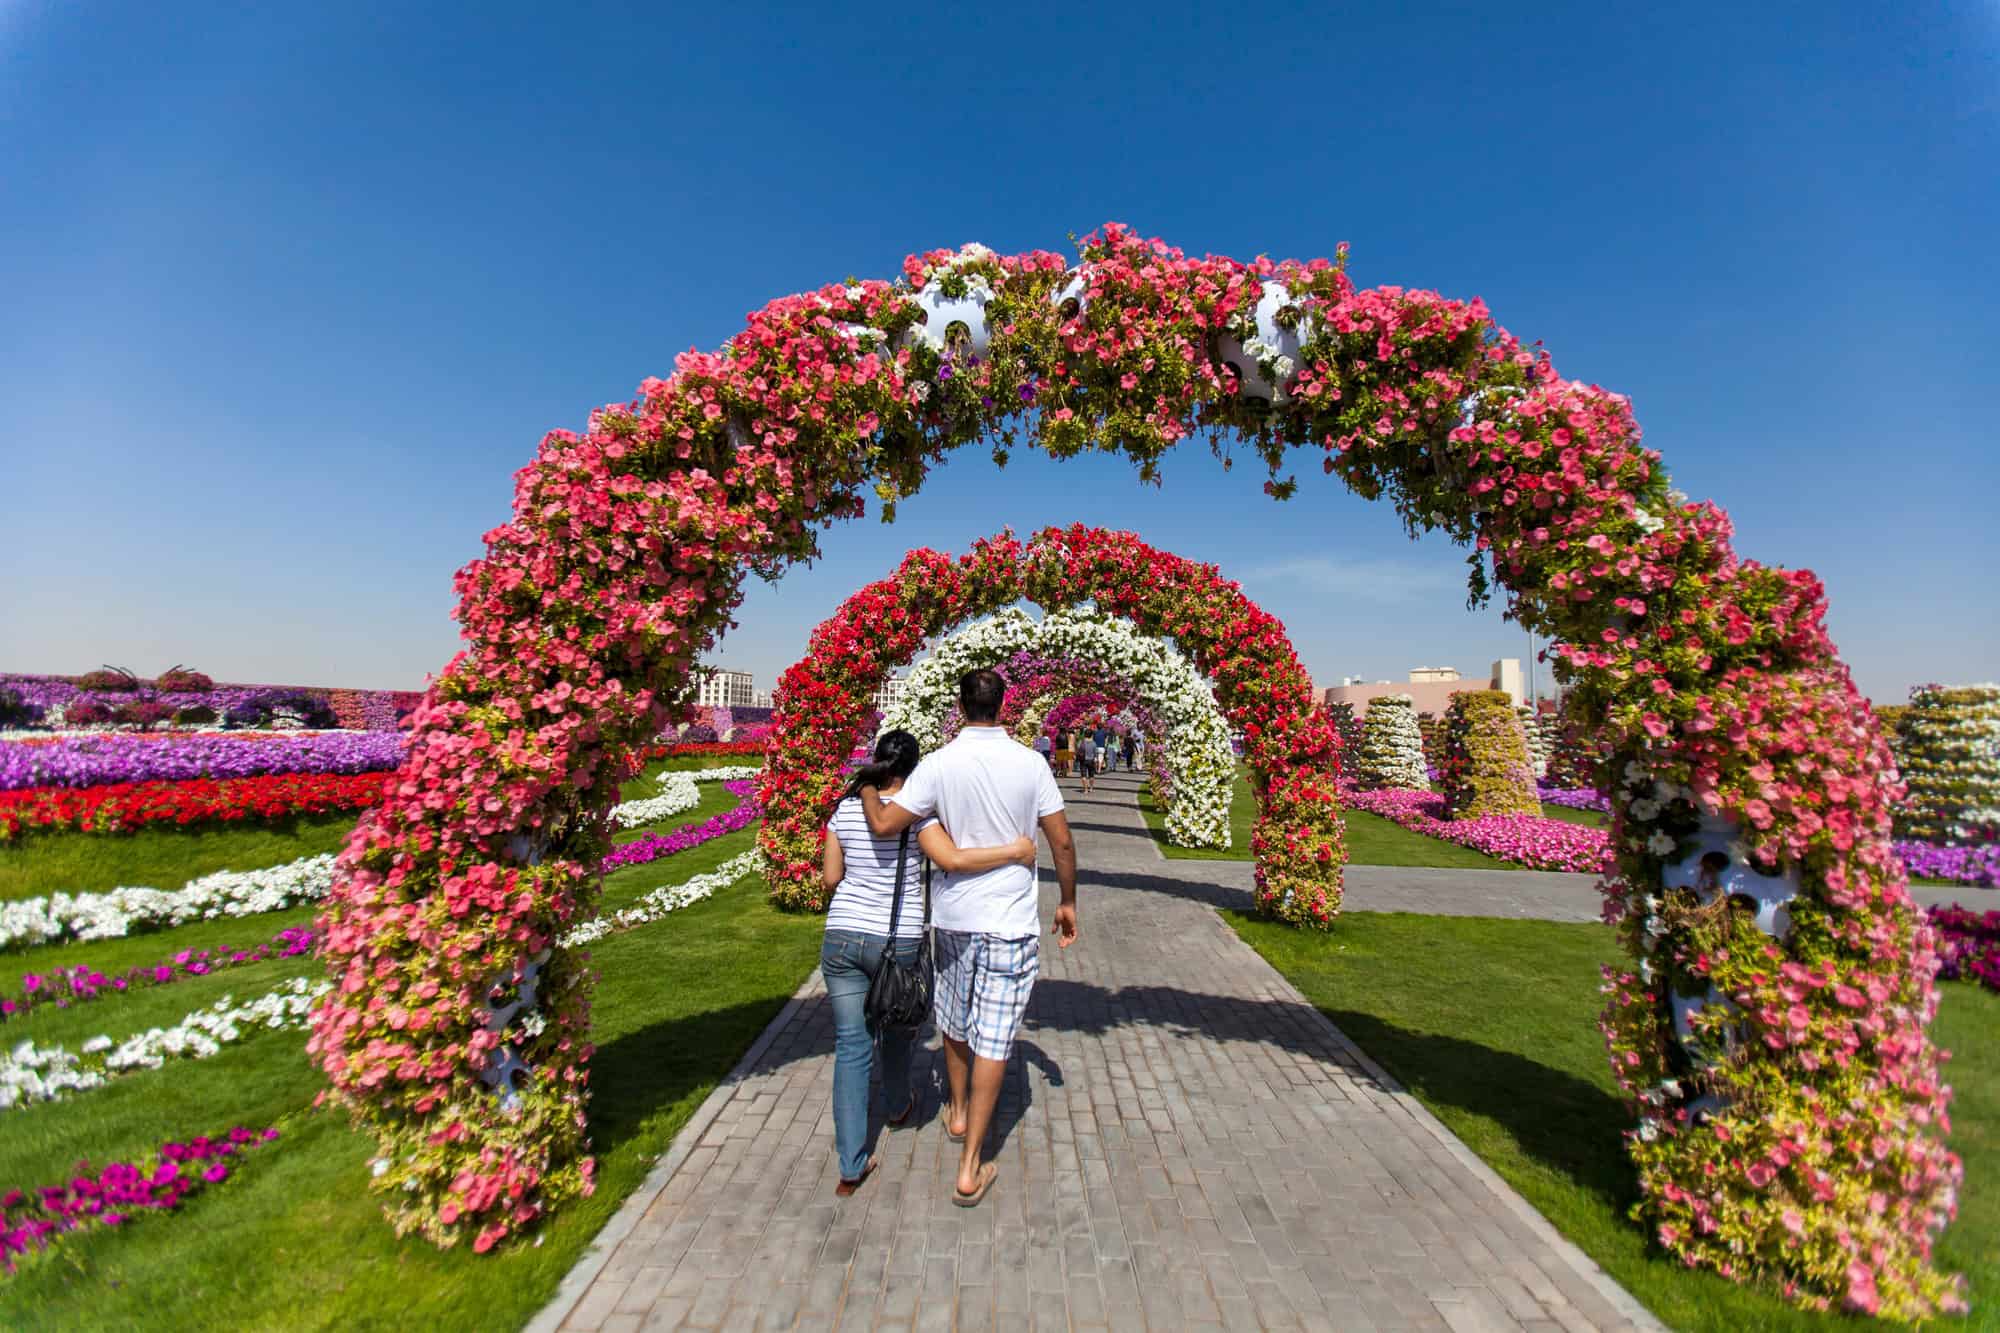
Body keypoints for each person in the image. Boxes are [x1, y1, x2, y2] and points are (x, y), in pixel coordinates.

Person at [860, 668, 1078, 1208]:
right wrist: (1068, 901)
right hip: (1008, 920)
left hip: (954, 917)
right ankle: (970, 1164)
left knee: (955, 1022)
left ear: (960, 707)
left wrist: (866, 785)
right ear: (1003, 706)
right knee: (994, 1038)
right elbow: (1062, 841)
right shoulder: (1031, 764)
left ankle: (957, 1110)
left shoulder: (937, 764)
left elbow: (887, 824)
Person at [821, 730, 1037, 1197]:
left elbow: (831, 877)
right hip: (894, 940)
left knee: (851, 1046)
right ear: (916, 769)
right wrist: (1016, 851)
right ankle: (899, 1105)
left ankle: (851, 1162)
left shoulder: (843, 809)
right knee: (898, 1030)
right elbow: (954, 860)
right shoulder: (918, 818)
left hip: (840, 937)